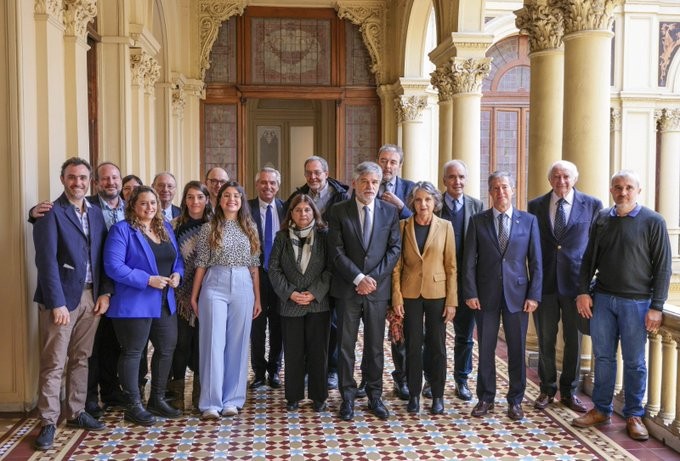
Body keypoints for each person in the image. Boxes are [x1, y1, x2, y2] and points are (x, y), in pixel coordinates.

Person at [572, 170, 672, 441]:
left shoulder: (653, 221)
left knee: (635, 362)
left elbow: (663, 267)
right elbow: (588, 259)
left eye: (628, 187)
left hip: (637, 303)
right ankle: (601, 409)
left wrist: (657, 306)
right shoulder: (602, 219)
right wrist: (583, 292)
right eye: (618, 187)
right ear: (611, 190)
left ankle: (634, 415)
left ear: (638, 190)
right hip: (603, 300)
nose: (623, 192)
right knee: (603, 358)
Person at [31, 157, 111, 451]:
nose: (78, 182)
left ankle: (76, 412)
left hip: (91, 297)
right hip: (62, 301)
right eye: (72, 177)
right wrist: (57, 303)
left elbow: (102, 257)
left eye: (83, 177)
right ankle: (48, 421)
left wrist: (105, 293)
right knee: (54, 362)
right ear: (62, 179)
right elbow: (46, 263)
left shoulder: (97, 214)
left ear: (90, 181)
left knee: (81, 357)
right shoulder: (50, 213)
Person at [463, 171, 542, 421]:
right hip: (485, 295)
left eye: (505, 187)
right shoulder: (478, 221)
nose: (501, 192)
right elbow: (468, 262)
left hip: (518, 296)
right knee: (485, 348)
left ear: (513, 190)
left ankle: (515, 400)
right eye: (495, 188)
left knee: (517, 349)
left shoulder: (528, 221)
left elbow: (536, 262)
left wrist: (534, 295)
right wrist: (470, 292)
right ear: (490, 192)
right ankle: (486, 397)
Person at [104, 186, 184, 426]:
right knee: (133, 352)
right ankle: (133, 406)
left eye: (153, 203)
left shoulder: (165, 227)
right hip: (134, 302)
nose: (149, 207)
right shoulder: (122, 230)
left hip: (165, 301)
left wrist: (178, 274)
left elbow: (177, 259)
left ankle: (157, 400)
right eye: (143, 203)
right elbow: (114, 266)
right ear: (133, 206)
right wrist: (147, 279)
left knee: (166, 348)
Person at [328, 161, 401, 421]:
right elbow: (335, 250)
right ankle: (347, 398)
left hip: (377, 291)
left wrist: (371, 279)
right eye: (365, 181)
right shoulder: (338, 211)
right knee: (345, 346)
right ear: (355, 183)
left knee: (375, 347)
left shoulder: (389, 212)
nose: (370, 187)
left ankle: (374, 396)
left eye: (374, 182)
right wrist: (358, 278)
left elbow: (394, 249)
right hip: (347, 289)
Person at [527, 161, 602, 413]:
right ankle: (547, 389)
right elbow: (532, 247)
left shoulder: (592, 205)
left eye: (566, 176)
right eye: (556, 176)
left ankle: (569, 392)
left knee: (574, 342)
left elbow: (595, 248)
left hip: (576, 287)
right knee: (545, 340)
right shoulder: (535, 206)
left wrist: (587, 288)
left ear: (575, 178)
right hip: (545, 285)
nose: (561, 181)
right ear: (550, 180)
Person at [191, 181, 262, 420]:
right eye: (227, 196)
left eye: (236, 196)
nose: (232, 199)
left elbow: (254, 266)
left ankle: (232, 399)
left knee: (238, 344)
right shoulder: (209, 227)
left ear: (242, 201)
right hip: (215, 283)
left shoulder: (250, 227)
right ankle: (211, 403)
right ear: (219, 200)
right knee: (212, 342)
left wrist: (257, 298)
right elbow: (201, 263)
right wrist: (194, 295)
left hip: (243, 283)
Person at [391, 181, 457, 415]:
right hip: (409, 294)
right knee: (412, 345)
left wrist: (452, 301)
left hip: (437, 293)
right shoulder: (402, 226)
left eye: (428, 200)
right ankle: (414, 395)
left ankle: (437, 395)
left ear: (435, 202)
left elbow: (451, 266)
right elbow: (396, 267)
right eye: (418, 200)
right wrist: (396, 297)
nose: (423, 204)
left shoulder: (445, 226)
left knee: (437, 346)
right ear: (412, 202)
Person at [286, 155, 350, 390]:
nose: (313, 177)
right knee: (308, 325)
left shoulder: (342, 196)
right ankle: (307, 369)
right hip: (305, 270)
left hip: (335, 268)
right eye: (309, 173)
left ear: (326, 173)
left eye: (317, 172)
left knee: (333, 324)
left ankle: (331, 369)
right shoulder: (297, 197)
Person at [358, 144, 415, 401]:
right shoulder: (366, 185)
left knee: (398, 331)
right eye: (383, 160)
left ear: (400, 165)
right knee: (370, 334)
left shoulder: (410, 189)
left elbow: (421, 221)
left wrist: (401, 206)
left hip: (400, 272)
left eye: (393, 162)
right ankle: (367, 379)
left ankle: (401, 379)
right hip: (370, 275)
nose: (387, 166)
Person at [268, 194, 332, 412]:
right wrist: (290, 293)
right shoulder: (281, 237)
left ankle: (319, 397)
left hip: (318, 303)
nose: (303, 214)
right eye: (298, 210)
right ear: (291, 214)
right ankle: (293, 396)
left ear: (314, 212)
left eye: (307, 209)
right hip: (290, 303)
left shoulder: (324, 236)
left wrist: (314, 293)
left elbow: (330, 268)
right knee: (293, 352)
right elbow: (274, 269)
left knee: (318, 352)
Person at [437, 159, 484, 402]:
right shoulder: (434, 205)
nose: (457, 181)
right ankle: (433, 379)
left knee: (464, 336)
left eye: (461, 177)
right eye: (452, 177)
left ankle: (461, 379)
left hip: (466, 283)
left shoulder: (477, 205)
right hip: (437, 282)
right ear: (444, 180)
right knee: (434, 336)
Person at [167, 181, 213, 411]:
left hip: (210, 292)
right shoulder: (173, 225)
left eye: (200, 197)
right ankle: (176, 394)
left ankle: (199, 393)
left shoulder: (214, 225)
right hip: (179, 293)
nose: (195, 202)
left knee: (202, 344)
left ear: (207, 200)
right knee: (181, 343)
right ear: (184, 200)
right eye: (190, 197)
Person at [248, 167, 285, 390]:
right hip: (255, 275)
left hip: (280, 276)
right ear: (257, 185)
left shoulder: (285, 208)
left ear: (278, 186)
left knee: (279, 325)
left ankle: (275, 370)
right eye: (263, 182)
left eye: (272, 183)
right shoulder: (246, 209)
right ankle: (259, 373)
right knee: (257, 326)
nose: (267, 186)